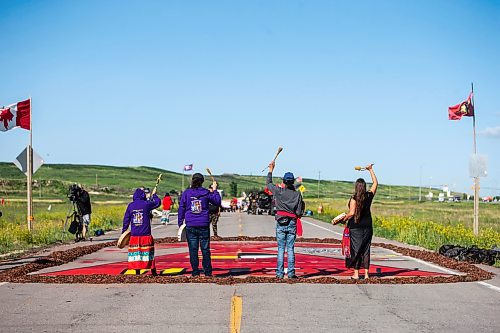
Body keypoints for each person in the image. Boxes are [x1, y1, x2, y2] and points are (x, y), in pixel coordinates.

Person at [333, 164, 378, 279]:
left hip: (356, 227)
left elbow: (352, 213)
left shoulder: (354, 198)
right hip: (368, 227)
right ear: (364, 187)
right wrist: (370, 170)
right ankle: (367, 274)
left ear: (356, 187)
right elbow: (375, 183)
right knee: (366, 249)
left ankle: (356, 274)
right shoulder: (369, 195)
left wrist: (342, 219)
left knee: (356, 250)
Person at [266, 161, 305, 279]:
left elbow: (268, 184)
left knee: (280, 248)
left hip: (280, 222)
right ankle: (291, 273)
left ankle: (279, 273)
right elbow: (299, 212)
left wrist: (270, 170)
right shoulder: (297, 195)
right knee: (290, 248)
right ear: (293, 182)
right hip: (292, 223)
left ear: (283, 181)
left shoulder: (279, 191)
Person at [178, 173, 221, 277]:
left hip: (191, 224)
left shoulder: (187, 193)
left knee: (193, 249)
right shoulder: (206, 192)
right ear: (202, 181)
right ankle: (207, 271)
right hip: (203, 224)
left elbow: (182, 207)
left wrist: (180, 222)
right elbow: (217, 202)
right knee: (205, 249)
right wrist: (215, 190)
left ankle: (195, 271)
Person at [122, 188, 161, 275]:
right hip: (146, 234)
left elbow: (126, 220)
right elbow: (157, 202)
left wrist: (124, 232)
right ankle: (153, 270)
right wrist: (154, 195)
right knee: (149, 253)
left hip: (135, 235)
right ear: (143, 196)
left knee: (137, 254)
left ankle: (137, 271)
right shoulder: (146, 204)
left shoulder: (130, 206)